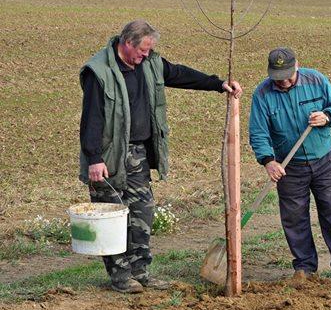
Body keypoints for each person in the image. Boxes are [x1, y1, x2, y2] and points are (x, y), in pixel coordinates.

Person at [79, 20, 242, 294]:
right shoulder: (99, 72)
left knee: (143, 213)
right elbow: (91, 120)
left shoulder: (150, 63)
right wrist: (94, 158)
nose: (146, 55)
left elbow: (178, 74)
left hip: (139, 155)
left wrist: (217, 84)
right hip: (110, 157)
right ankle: (120, 277)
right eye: (143, 50)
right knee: (114, 217)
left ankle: (141, 272)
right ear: (127, 43)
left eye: (150, 50)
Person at [248, 48, 331, 279]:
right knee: (294, 217)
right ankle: (305, 268)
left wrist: (326, 117)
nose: (284, 82)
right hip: (289, 167)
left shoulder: (316, 79)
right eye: (278, 77)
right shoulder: (262, 94)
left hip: (323, 159)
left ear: (297, 65)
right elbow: (258, 132)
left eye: (288, 75)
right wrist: (268, 161)